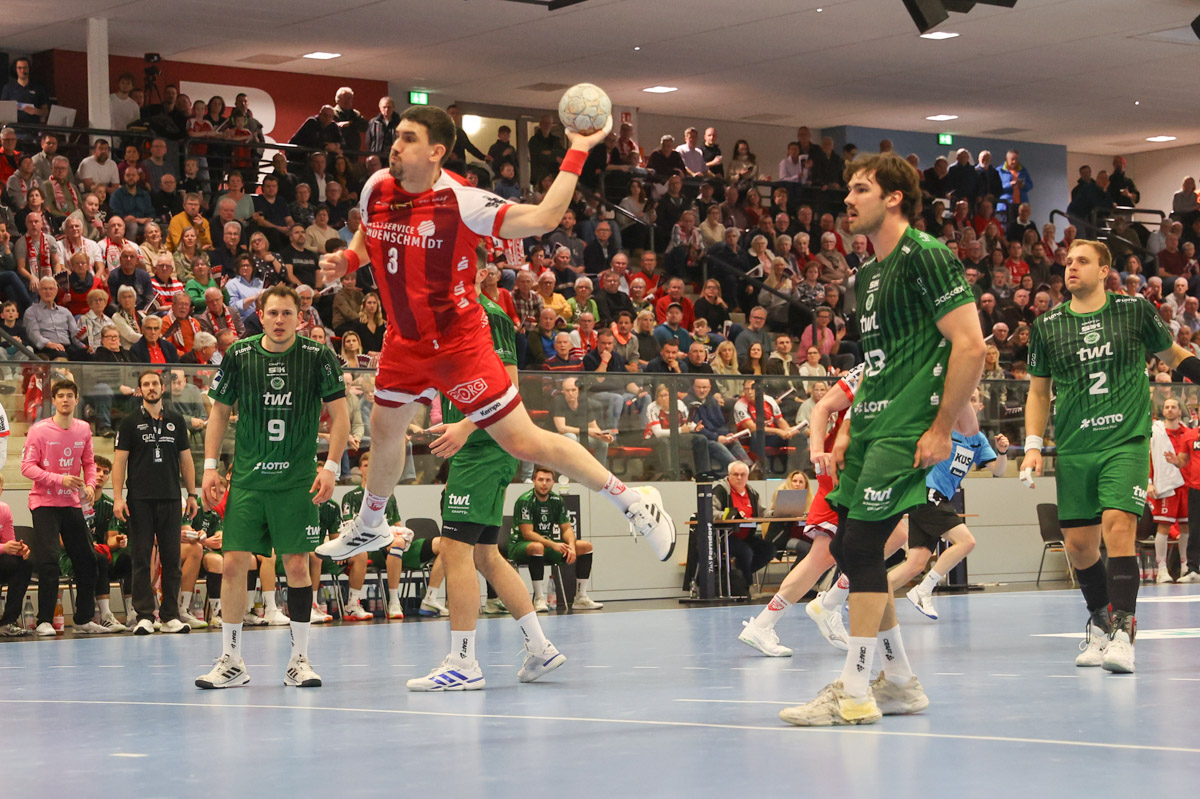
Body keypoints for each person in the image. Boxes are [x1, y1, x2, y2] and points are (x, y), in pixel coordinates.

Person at [314, 104, 674, 570]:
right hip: (404, 340)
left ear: (436, 152)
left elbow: (544, 216)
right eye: (396, 136)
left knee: (524, 442)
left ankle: (633, 501)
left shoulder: (462, 201)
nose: (395, 146)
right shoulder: (377, 187)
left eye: (407, 138)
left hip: (458, 344)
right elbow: (370, 234)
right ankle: (371, 523)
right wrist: (348, 260)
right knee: (385, 430)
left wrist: (579, 149)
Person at [781, 152, 983, 727]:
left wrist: (941, 427)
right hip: (871, 426)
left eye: (861, 189)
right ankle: (899, 683)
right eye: (848, 189)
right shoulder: (867, 274)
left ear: (894, 197)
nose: (848, 199)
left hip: (907, 426)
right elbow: (876, 363)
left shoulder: (928, 256)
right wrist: (849, 428)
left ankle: (854, 691)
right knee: (849, 550)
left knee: (864, 548)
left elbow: (971, 346)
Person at [1022, 238, 1200, 675]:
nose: (1071, 267)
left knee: (1118, 526)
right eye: (1068, 262)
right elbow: (1039, 392)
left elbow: (1174, 355)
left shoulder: (1134, 311)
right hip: (1075, 445)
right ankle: (1100, 622)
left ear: (1104, 271)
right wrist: (1032, 445)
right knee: (1079, 545)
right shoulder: (1047, 326)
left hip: (1125, 439)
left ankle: (1124, 631)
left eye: (1082, 261)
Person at [406, 279, 565, 690]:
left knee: (454, 550)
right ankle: (540, 646)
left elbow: (508, 389)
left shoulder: (490, 316)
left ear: (474, 274)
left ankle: (463, 663)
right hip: (474, 449)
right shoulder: (446, 320)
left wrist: (464, 427)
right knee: (486, 555)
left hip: (485, 448)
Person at [196, 284, 350, 689]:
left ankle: (299, 660)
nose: (279, 320)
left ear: (300, 318)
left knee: (297, 565)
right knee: (233, 563)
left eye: (287, 313)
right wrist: (210, 467)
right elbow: (219, 413)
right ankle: (231, 660)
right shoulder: (239, 354)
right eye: (273, 313)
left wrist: (331, 466)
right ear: (260, 316)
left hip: (296, 481)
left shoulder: (317, 356)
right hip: (248, 480)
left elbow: (340, 415)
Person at [890, 389, 1007, 620]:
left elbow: (998, 470)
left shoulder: (978, 440)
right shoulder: (944, 427)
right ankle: (923, 590)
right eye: (965, 397)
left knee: (915, 564)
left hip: (938, 497)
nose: (968, 403)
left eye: (973, 399)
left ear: (980, 407)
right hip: (926, 492)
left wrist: (1002, 452)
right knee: (966, 542)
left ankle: (866, 599)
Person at [110, 370, 198, 635]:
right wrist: (117, 497)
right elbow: (119, 462)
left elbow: (186, 459)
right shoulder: (129, 422)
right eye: (146, 384)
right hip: (139, 500)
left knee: (172, 559)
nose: (151, 388)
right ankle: (144, 616)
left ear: (162, 387)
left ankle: (170, 616)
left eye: (155, 384)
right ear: (140, 390)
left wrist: (192, 494)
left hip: (170, 498)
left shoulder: (176, 420)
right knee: (141, 558)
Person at [20, 380, 111, 635]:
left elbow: (89, 463)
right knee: (49, 560)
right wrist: (59, 479)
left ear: (76, 399)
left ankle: (83, 619)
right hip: (44, 503)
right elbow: (26, 467)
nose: (65, 400)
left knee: (88, 559)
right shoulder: (39, 430)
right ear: (54, 400)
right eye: (60, 396)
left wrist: (90, 485)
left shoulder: (83, 429)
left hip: (71, 503)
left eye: (69, 395)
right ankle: (44, 621)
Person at [509, 467, 602, 613]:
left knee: (585, 546)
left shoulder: (557, 500)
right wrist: (553, 544)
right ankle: (539, 599)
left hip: (546, 546)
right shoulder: (525, 501)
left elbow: (566, 528)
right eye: (540, 480)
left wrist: (571, 547)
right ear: (534, 481)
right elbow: (528, 534)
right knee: (537, 547)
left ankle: (581, 598)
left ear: (553, 483)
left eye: (548, 480)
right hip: (520, 546)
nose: (544, 484)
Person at [1148, 398, 1195, 584]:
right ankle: (1162, 569)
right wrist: (1149, 482)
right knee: (1164, 526)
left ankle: (1185, 565)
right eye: (1166, 407)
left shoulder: (1189, 433)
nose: (1169, 410)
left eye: (1173, 407)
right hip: (1167, 484)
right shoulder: (1156, 432)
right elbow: (1148, 458)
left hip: (1187, 484)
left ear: (1180, 411)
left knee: (1186, 526)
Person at [711, 461, 776, 590]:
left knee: (769, 550)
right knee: (745, 552)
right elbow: (711, 512)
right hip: (725, 536)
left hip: (746, 536)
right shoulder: (720, 490)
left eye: (743, 475)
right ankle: (745, 586)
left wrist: (776, 513)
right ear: (729, 475)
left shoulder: (751, 492)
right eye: (736, 474)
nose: (739, 478)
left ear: (747, 476)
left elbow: (762, 512)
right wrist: (731, 514)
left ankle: (740, 576)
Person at [0, 471, 34, 637]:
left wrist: (19, 550)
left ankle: (8, 622)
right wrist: (4, 548)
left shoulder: (4, 509)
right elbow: (4, 547)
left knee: (23, 565)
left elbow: (9, 542)